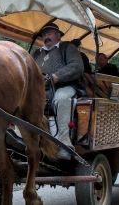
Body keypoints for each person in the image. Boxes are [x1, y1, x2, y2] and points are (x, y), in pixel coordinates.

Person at [32, 23, 85, 160]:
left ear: (58, 35)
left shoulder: (68, 48)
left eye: (49, 33)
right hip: (41, 90)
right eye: (44, 34)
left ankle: (64, 144)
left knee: (61, 98)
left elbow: (77, 66)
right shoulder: (37, 53)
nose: (46, 37)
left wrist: (56, 77)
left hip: (66, 86)